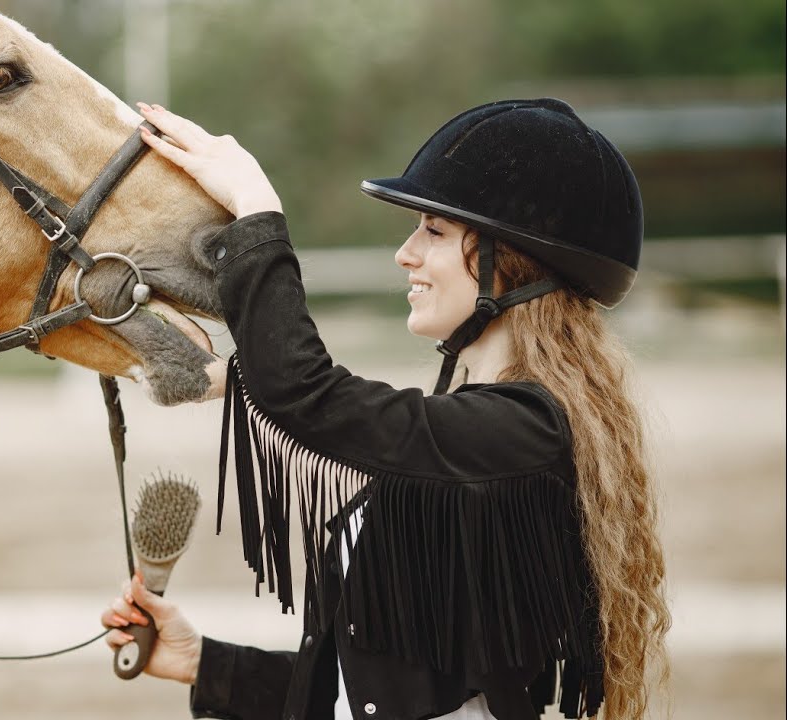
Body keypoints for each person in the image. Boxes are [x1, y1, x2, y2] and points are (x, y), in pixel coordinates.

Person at [101, 99, 671, 720]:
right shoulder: (480, 433)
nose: (406, 253)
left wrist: (254, 206)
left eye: (434, 231)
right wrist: (201, 663)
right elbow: (368, 694)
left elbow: (310, 396)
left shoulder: (526, 432)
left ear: (504, 263)